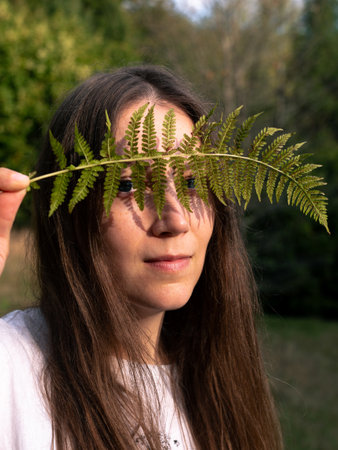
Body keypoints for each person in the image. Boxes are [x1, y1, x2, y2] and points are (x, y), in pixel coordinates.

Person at [0, 65, 282, 449]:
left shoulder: (222, 385)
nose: (175, 219)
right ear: (68, 209)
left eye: (192, 182)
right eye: (129, 184)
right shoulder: (12, 365)